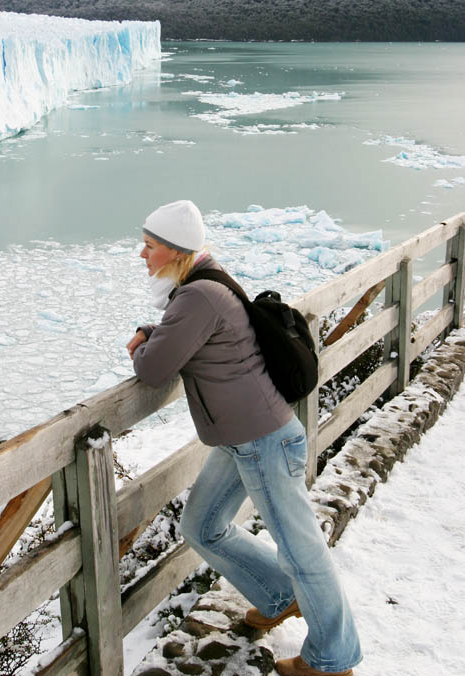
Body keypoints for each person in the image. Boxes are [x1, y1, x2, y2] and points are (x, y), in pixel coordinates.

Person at [127, 200, 362, 676]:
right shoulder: (204, 281)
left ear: (173, 251)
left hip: (263, 441)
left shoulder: (198, 296)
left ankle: (333, 660)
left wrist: (140, 344)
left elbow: (153, 370)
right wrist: (156, 331)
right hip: (246, 439)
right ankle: (279, 596)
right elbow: (194, 335)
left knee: (301, 550)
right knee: (202, 526)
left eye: (149, 246)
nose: (141, 254)